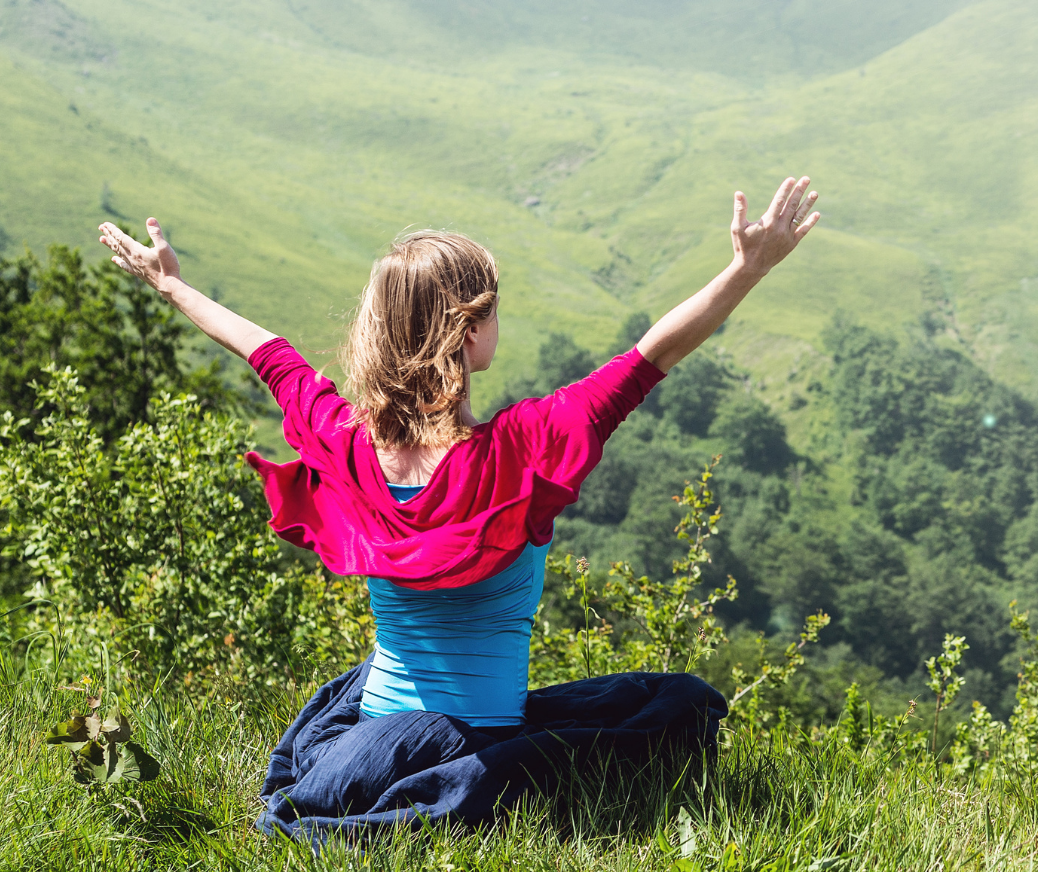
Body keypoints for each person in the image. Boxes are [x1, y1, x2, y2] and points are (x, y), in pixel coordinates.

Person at [96, 177, 821, 836]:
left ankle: (371, 783)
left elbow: (269, 354)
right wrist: (746, 270)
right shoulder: (523, 448)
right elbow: (650, 357)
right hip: (475, 740)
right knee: (679, 706)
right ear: (471, 330)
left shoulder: (347, 446)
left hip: (360, 739)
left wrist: (171, 288)